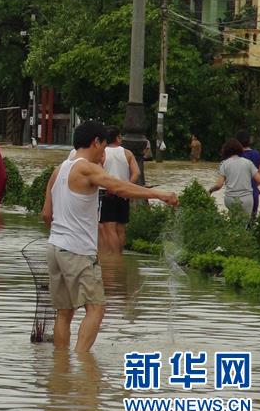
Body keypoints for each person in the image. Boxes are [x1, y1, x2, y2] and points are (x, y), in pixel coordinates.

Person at [41, 121, 178, 352]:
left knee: (64, 313)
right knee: (96, 308)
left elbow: (46, 215)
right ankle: (84, 365)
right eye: (103, 148)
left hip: (55, 248)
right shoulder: (87, 168)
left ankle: (61, 366)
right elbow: (122, 188)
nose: (104, 154)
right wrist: (158, 194)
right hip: (78, 251)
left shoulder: (59, 170)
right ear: (96, 142)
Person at [99, 126, 140, 254]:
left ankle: (113, 258)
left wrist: (109, 187)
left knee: (109, 228)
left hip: (106, 194)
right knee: (121, 228)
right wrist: (127, 186)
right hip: (123, 194)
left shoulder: (101, 153)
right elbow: (136, 173)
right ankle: (119, 254)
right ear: (117, 138)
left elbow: (99, 174)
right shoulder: (127, 153)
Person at [209, 138, 260, 216]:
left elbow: (219, 185)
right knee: (244, 223)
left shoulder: (224, 164)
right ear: (239, 149)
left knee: (234, 220)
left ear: (226, 150)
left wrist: (210, 190)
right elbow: (259, 180)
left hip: (230, 199)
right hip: (246, 199)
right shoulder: (248, 163)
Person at [236, 129, 260, 218]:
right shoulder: (257, 154)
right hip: (253, 194)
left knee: (237, 224)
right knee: (252, 222)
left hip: (238, 196)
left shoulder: (235, 156)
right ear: (249, 141)